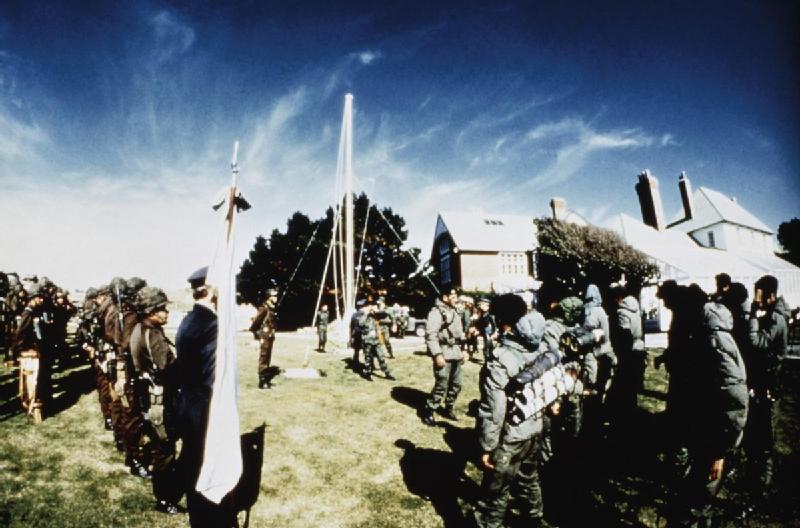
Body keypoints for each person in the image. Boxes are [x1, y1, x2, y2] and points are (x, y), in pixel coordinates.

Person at [474, 293, 556, 528]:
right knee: (529, 479)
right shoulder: (540, 346)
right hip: (536, 427)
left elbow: (494, 408)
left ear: (503, 322)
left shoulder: (501, 358)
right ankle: (534, 520)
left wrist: (487, 447)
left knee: (495, 491)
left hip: (511, 436)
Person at [668, 298, 748, 528]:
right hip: (710, 436)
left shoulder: (716, 343)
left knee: (693, 503)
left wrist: (719, 454)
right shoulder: (715, 341)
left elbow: (735, 402)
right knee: (695, 500)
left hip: (716, 442)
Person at [175, 267, 237, 528]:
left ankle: (198, 515)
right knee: (207, 461)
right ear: (212, 291)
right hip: (205, 406)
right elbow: (213, 374)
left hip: (188, 405)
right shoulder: (212, 324)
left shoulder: (190, 319)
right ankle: (212, 517)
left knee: (192, 459)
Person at [130, 286, 183, 515]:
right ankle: (164, 498)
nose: (166, 313)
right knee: (165, 449)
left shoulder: (140, 328)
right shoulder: (152, 333)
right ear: (151, 311)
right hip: (160, 399)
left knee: (159, 444)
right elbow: (167, 368)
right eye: (162, 308)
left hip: (150, 398)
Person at [745, 275, 789, 496]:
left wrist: (753, 315)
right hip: (766, 381)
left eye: (759, 293)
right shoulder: (774, 316)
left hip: (769, 383)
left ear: (770, 295)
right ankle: (758, 477)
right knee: (759, 430)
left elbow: (757, 342)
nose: (756, 298)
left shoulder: (775, 319)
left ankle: (763, 483)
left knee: (766, 435)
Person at [420, 289, 465, 426]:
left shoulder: (454, 311)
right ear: (445, 297)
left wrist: (463, 350)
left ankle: (448, 408)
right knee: (442, 384)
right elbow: (431, 335)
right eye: (453, 296)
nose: (456, 298)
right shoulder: (436, 312)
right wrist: (437, 354)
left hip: (455, 352)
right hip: (444, 352)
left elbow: (458, 334)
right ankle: (430, 409)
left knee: (456, 384)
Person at [606, 284, 646, 428]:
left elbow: (625, 334)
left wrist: (622, 351)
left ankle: (625, 421)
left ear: (618, 298)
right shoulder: (635, 308)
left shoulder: (622, 312)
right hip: (639, 349)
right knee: (632, 388)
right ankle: (632, 417)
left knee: (623, 388)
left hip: (628, 353)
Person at [13, 283, 46, 422]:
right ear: (33, 298)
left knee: (34, 382)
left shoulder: (33, 312)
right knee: (31, 382)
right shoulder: (28, 313)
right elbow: (19, 334)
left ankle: (31, 405)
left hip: (33, 351)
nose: (42, 300)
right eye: (39, 297)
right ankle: (31, 408)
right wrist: (20, 350)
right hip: (28, 353)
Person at [356, 299, 396, 381]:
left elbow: (385, 314)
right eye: (368, 306)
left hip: (376, 340)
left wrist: (377, 311)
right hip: (367, 340)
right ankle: (368, 373)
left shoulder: (375, 315)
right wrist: (366, 314)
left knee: (381, 357)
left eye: (371, 305)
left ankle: (387, 373)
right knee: (368, 358)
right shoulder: (361, 315)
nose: (370, 307)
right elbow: (360, 324)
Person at [250, 289, 278, 389]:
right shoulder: (264, 309)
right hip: (264, 337)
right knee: (264, 357)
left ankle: (265, 378)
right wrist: (258, 337)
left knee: (267, 358)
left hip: (270, 337)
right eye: (274, 296)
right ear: (268, 297)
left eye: (276, 296)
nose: (276, 298)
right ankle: (262, 381)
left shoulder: (271, 309)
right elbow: (255, 324)